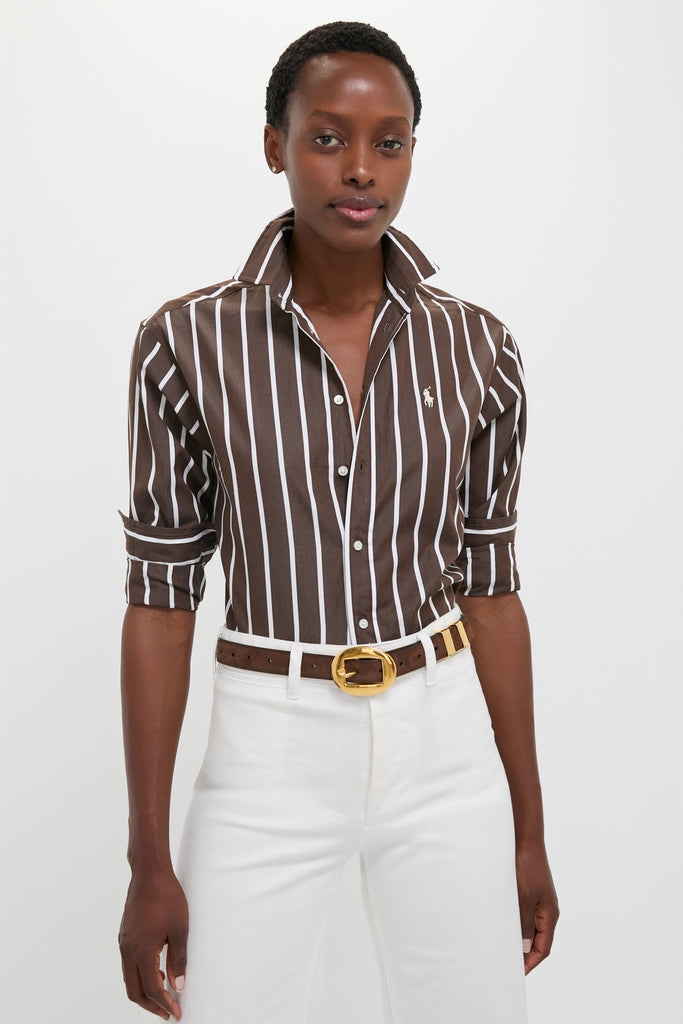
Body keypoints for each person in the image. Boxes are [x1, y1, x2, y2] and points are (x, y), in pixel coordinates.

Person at [118, 20, 559, 1024]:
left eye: (388, 140)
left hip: (443, 744)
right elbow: (158, 601)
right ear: (275, 144)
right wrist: (150, 856)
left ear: (410, 151)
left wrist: (526, 828)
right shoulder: (184, 344)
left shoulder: (477, 348)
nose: (359, 169)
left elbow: (491, 589)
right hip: (266, 750)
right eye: (326, 137)